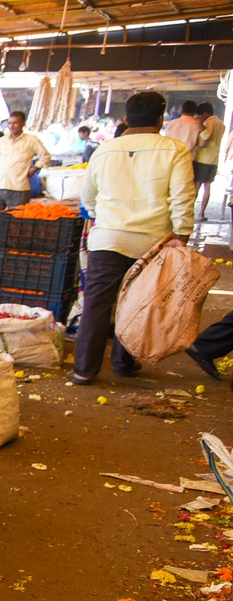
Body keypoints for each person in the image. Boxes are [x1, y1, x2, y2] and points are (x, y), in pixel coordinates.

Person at [71, 90, 195, 385]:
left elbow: (87, 198)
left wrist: (105, 215)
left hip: (108, 239)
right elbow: (182, 198)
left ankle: (83, 370)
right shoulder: (175, 150)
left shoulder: (104, 150)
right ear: (161, 119)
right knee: (138, 303)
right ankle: (123, 363)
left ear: (126, 118)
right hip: (153, 243)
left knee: (97, 304)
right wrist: (182, 234)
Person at [0, 110, 50, 241]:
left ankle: (13, 248)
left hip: (19, 188)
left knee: (17, 222)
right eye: (10, 123)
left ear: (23, 124)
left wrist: (34, 169)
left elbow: (46, 156)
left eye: (15, 123)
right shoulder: (1, 141)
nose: (12, 126)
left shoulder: (31, 140)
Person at [195, 104, 224, 222]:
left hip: (203, 158)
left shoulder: (210, 122)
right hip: (214, 159)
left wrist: (199, 128)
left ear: (206, 113)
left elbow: (206, 136)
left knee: (196, 187)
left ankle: (189, 212)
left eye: (201, 115)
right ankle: (201, 214)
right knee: (207, 187)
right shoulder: (221, 123)